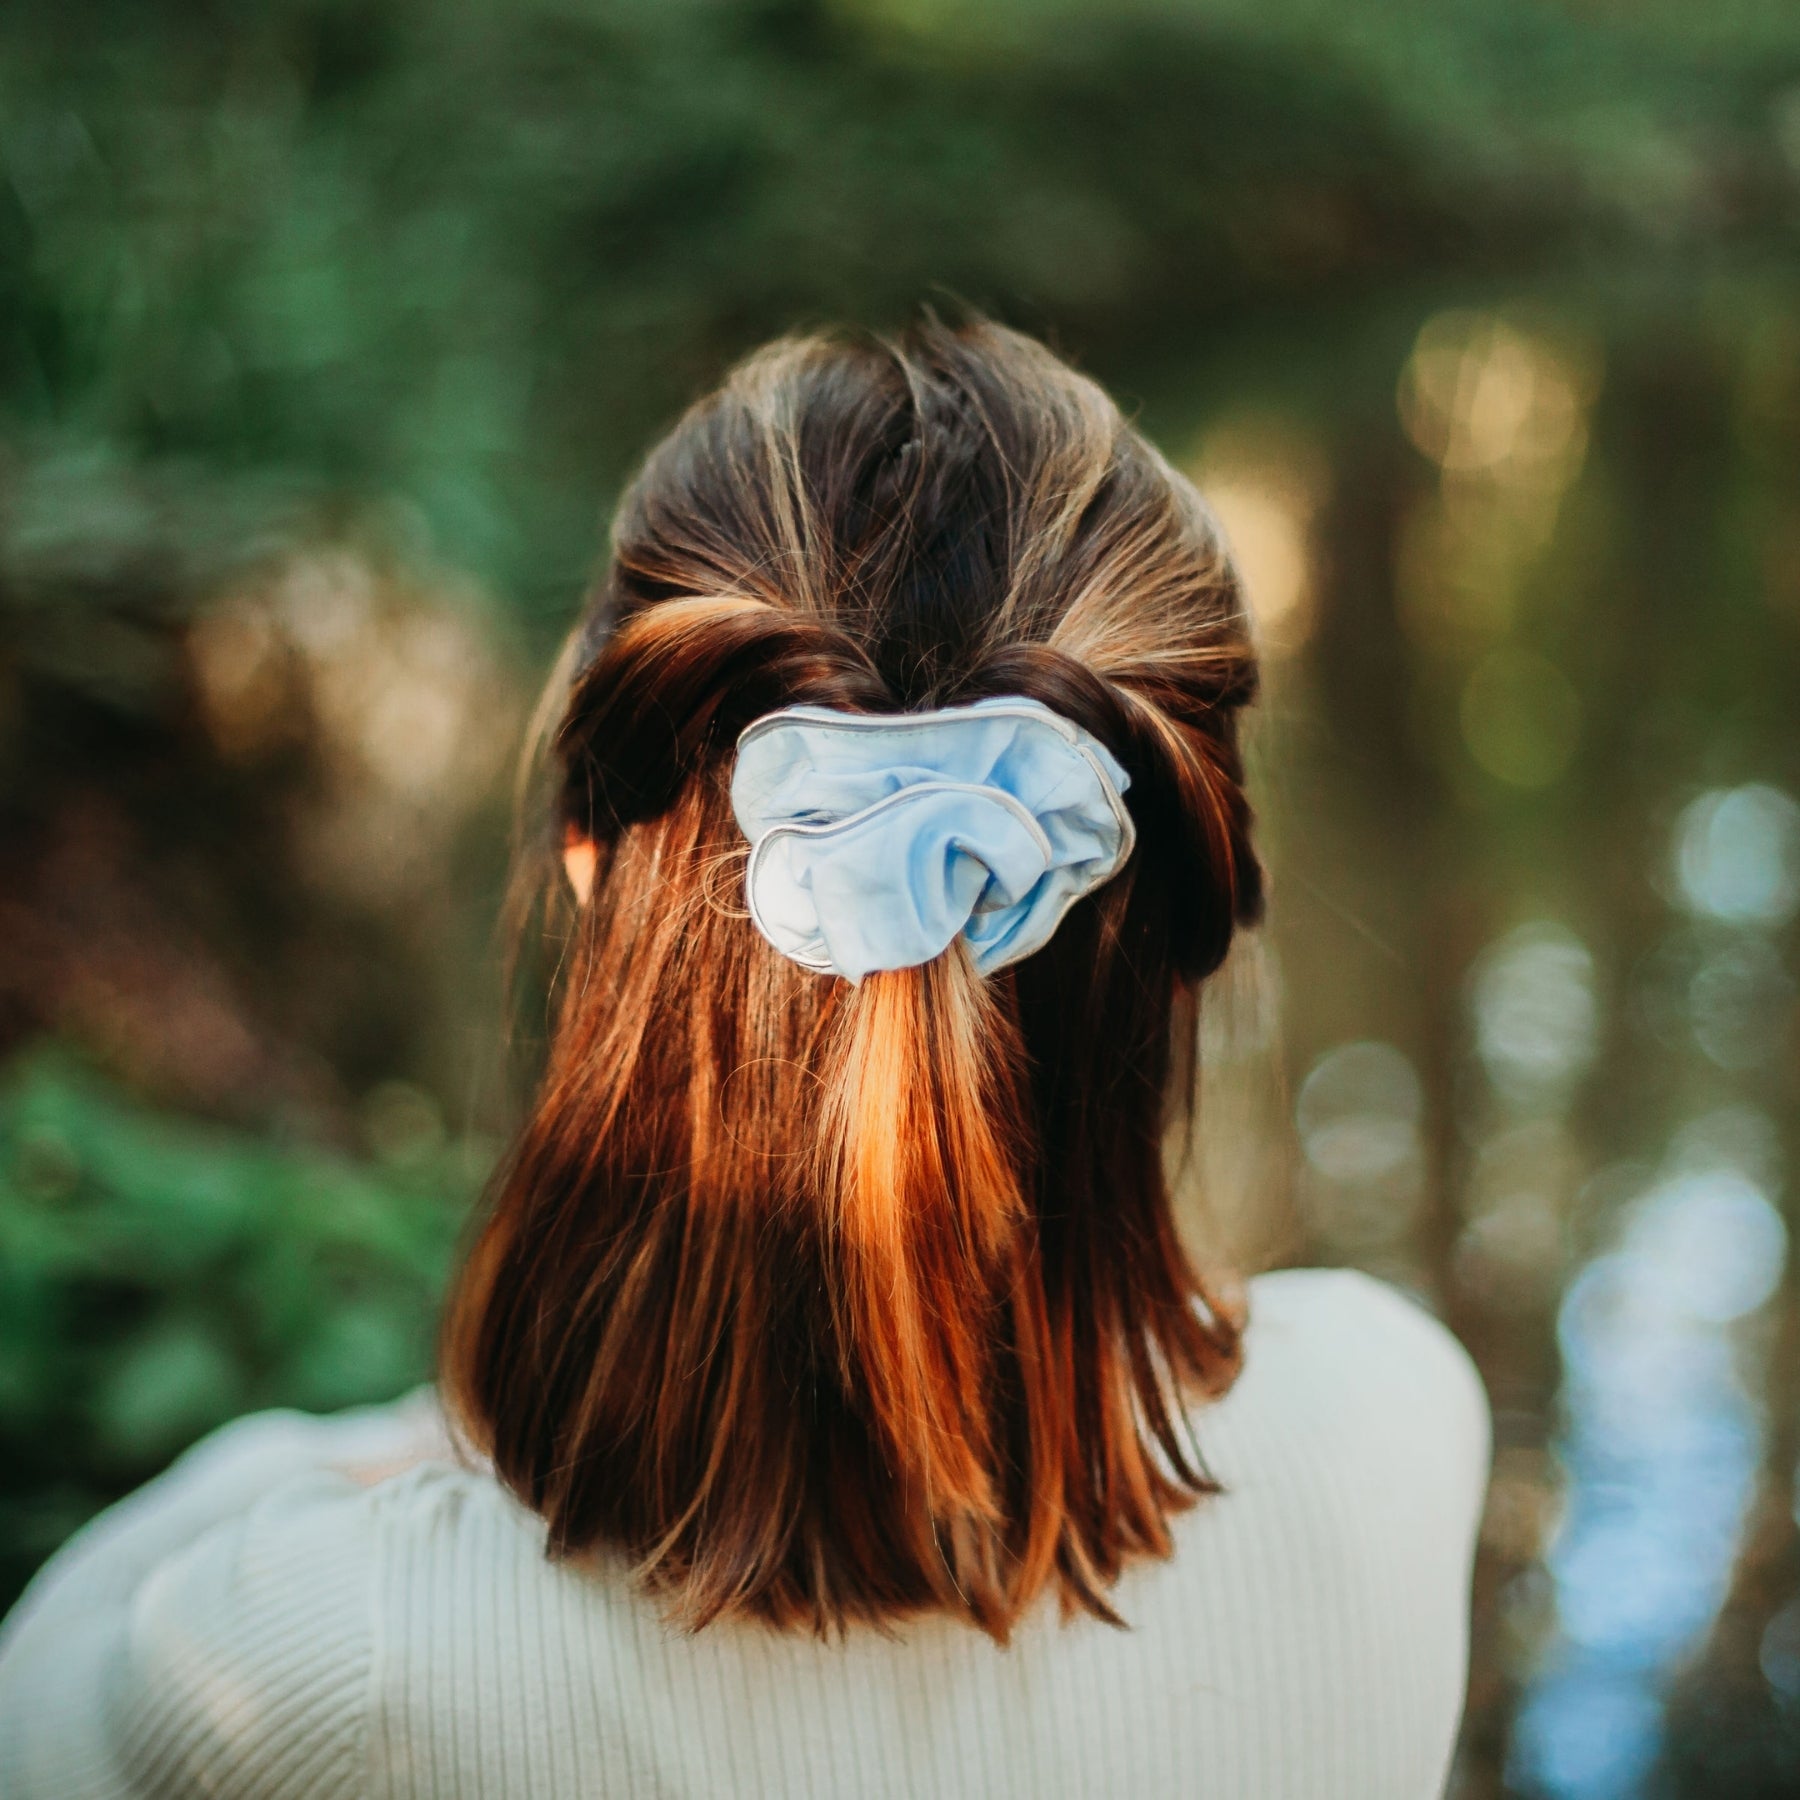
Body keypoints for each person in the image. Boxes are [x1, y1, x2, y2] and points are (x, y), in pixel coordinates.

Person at [0, 320, 1489, 1799]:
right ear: (1194, 922)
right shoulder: (1394, 1429)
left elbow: (41, 1691)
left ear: (589, 859)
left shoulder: (316, 1661)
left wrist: (398, 1455)